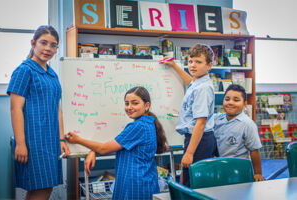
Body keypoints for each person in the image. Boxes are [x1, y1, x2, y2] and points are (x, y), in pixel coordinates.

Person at [66, 86, 167, 200]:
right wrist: (94, 150)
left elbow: (104, 148)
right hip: (144, 183)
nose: (129, 107)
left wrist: (77, 140)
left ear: (146, 105)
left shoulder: (138, 126)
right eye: (127, 103)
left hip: (135, 187)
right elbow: (114, 144)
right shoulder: (148, 123)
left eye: (135, 103)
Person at [7, 25, 70, 199]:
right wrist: (20, 143)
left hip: (51, 141)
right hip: (33, 141)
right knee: (39, 188)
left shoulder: (51, 74)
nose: (48, 48)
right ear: (33, 43)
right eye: (44, 43)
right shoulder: (24, 70)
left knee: (46, 187)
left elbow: (57, 109)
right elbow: (15, 109)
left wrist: (61, 138)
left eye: (53, 45)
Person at [162, 44, 218, 187]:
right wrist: (175, 66)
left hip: (200, 140)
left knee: (191, 182)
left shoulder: (203, 89)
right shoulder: (199, 83)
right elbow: (190, 82)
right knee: (191, 179)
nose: (193, 65)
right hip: (198, 138)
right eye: (190, 61)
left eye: (198, 62)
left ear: (209, 65)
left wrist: (189, 153)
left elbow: (201, 123)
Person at [214, 84, 265, 181]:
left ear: (245, 104)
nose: (230, 103)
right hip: (219, 169)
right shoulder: (217, 119)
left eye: (236, 100)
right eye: (227, 99)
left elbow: (254, 150)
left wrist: (258, 173)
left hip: (238, 171)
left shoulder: (247, 124)